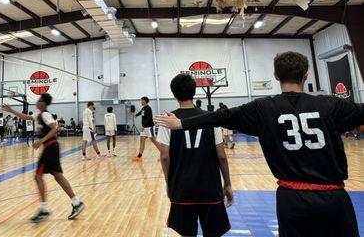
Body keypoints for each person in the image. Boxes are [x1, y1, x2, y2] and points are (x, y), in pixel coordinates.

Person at [155, 51, 364, 237]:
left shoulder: (263, 108)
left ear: (276, 76)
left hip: (292, 199)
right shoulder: (331, 104)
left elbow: (220, 116)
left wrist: (182, 123)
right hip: (335, 198)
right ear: (306, 74)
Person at [158, 73, 234, 237]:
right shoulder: (210, 117)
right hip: (210, 187)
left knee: (187, 234)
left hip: (182, 187)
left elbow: (164, 157)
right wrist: (227, 183)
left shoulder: (167, 120)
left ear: (174, 93)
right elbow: (221, 155)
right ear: (194, 91)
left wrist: (169, 183)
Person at [2, 93, 85, 223]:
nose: (37, 101)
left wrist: (41, 141)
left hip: (50, 147)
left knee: (38, 176)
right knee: (58, 176)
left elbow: (54, 129)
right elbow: (26, 117)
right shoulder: (39, 115)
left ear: (44, 103)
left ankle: (44, 209)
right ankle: (76, 202)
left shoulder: (45, 115)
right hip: (51, 148)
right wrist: (12, 110)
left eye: (39, 100)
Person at [132, 97, 160, 161]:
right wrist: (136, 115)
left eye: (142, 100)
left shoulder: (148, 108)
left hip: (149, 127)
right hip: (144, 128)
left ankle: (164, 153)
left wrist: (143, 126)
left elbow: (149, 118)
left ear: (145, 101)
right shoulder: (143, 108)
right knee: (142, 140)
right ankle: (139, 156)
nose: (141, 102)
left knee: (154, 141)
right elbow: (141, 112)